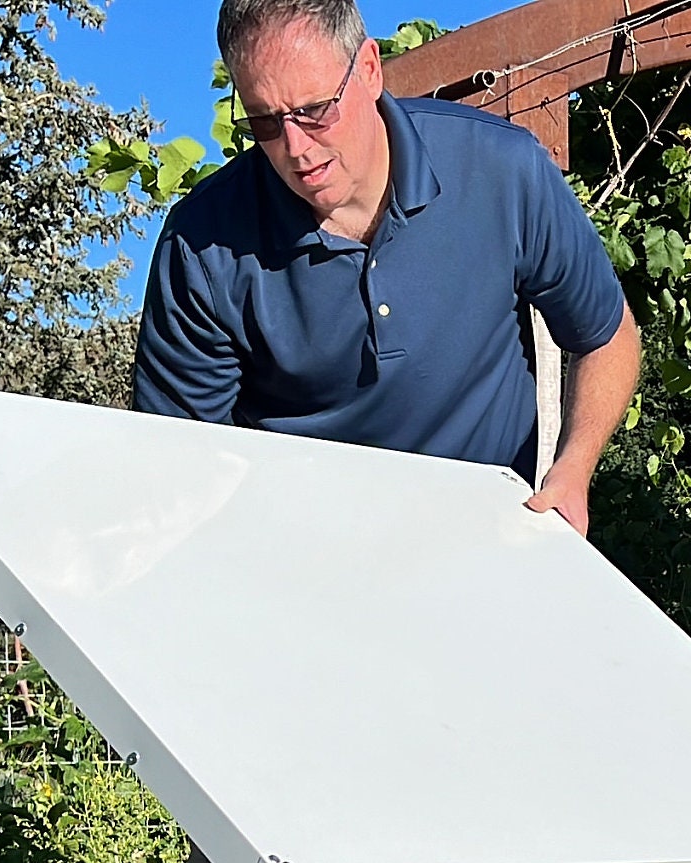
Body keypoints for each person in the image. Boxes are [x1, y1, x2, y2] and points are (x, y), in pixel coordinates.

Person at [133, 0, 643, 534]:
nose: (296, 148)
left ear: (370, 69)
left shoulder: (501, 169)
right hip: (299, 564)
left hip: (486, 547)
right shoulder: (201, 244)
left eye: (315, 109)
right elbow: (180, 462)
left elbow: (605, 336)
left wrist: (572, 472)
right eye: (265, 121)